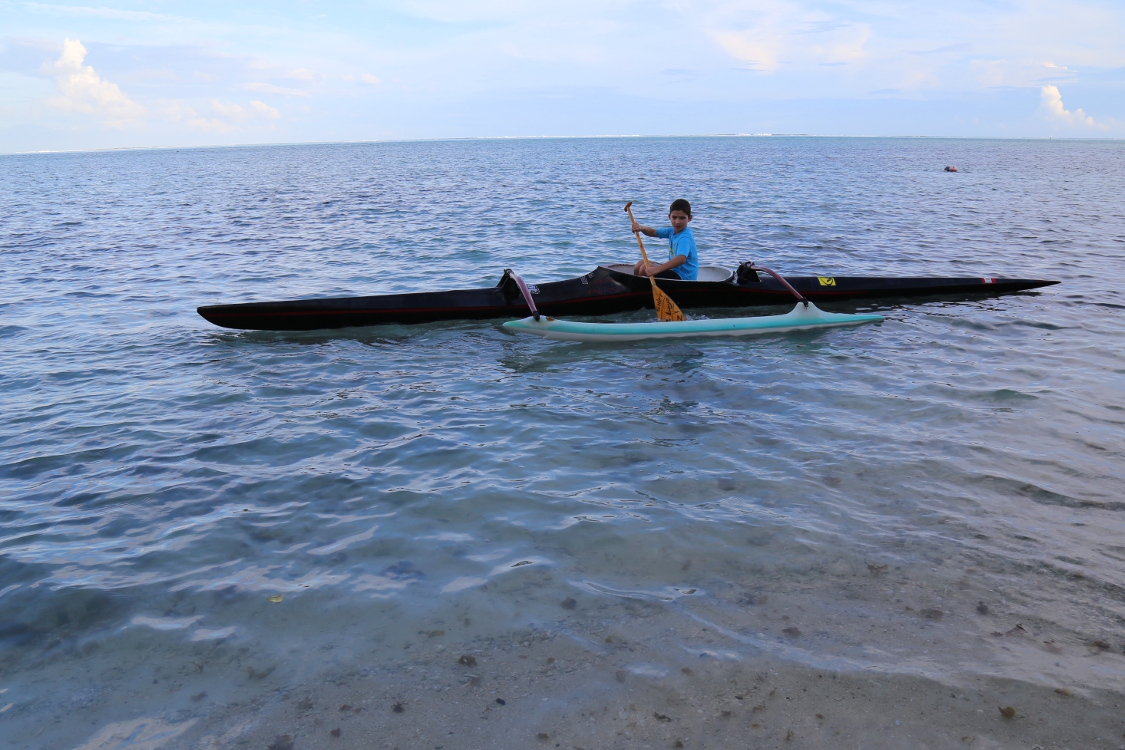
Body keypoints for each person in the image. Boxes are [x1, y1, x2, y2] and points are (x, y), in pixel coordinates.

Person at [631, 198, 699, 281]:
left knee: (644, 268)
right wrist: (641, 228)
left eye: (682, 218)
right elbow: (652, 232)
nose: (677, 222)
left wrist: (658, 269)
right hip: (675, 271)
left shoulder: (685, 237)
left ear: (690, 218)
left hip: (684, 277)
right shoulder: (671, 231)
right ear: (669, 217)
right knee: (640, 264)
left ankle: (645, 290)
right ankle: (637, 288)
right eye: (674, 217)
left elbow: (681, 258)